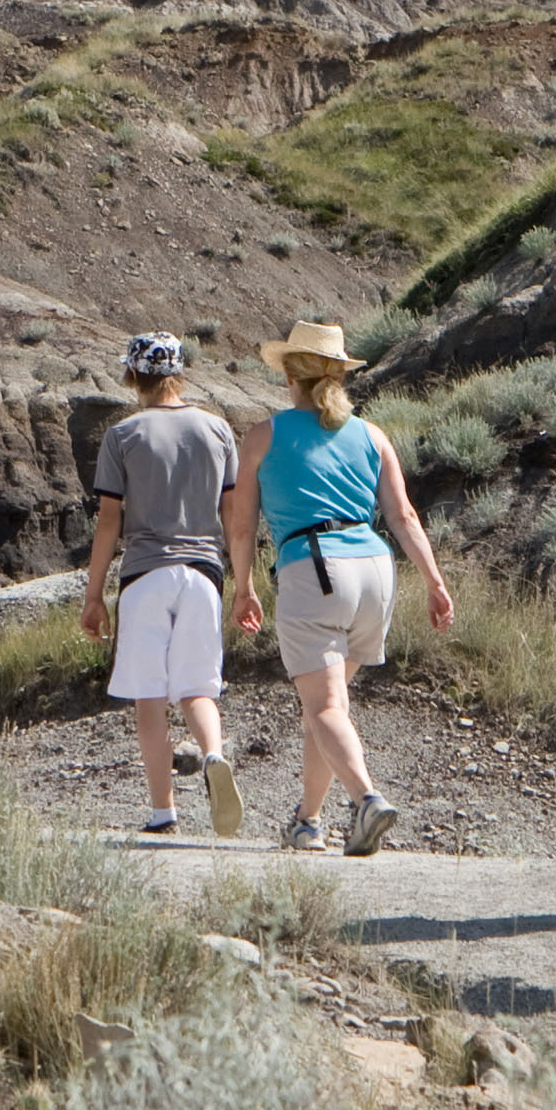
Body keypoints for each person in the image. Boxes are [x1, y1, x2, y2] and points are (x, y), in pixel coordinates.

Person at [223, 320, 453, 854]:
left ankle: (367, 798)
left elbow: (240, 525)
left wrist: (243, 587)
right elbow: (403, 515)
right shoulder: (372, 435)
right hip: (374, 567)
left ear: (289, 375)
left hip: (314, 566)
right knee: (325, 707)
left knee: (324, 706)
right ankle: (308, 821)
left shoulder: (265, 435)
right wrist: (435, 582)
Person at [79, 331, 246, 838]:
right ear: (179, 373)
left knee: (149, 698)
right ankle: (213, 755)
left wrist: (93, 596)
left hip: (146, 574)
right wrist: (246, 586)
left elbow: (110, 521)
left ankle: (163, 812)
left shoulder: (123, 435)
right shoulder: (217, 429)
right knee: (197, 688)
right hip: (203, 575)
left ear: (133, 375)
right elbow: (234, 517)